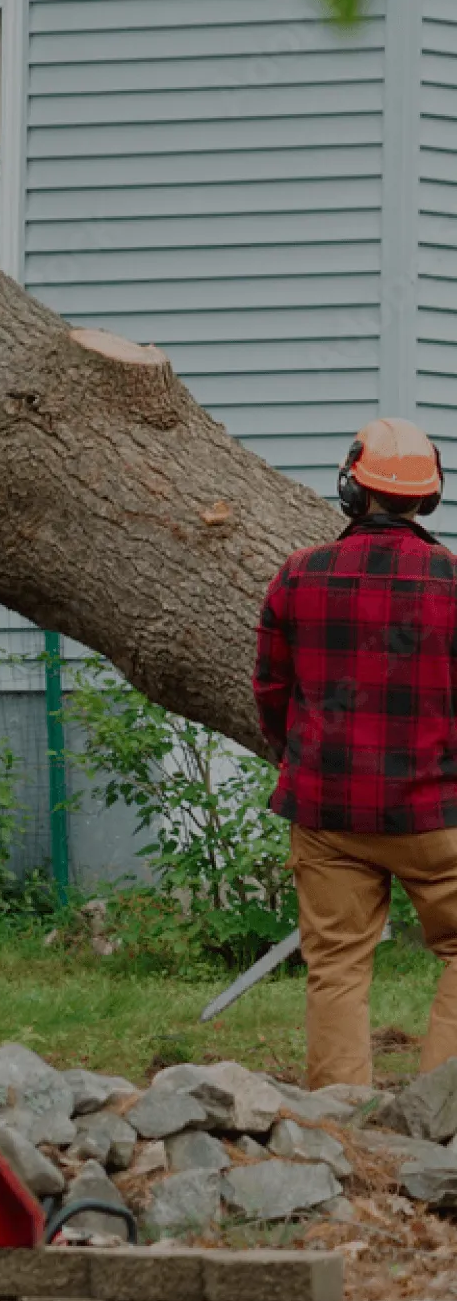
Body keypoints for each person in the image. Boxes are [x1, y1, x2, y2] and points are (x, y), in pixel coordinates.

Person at [253, 417, 457, 1089]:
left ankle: (335, 1130)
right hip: (435, 815)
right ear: (427, 497)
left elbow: (273, 690)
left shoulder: (297, 575)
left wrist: (302, 759)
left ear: (351, 484)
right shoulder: (452, 582)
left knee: (336, 965)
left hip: (327, 811)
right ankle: (442, 1117)